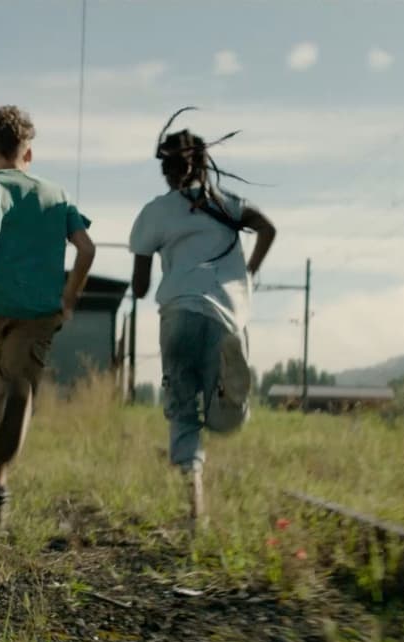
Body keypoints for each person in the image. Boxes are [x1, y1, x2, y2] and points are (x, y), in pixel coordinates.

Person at [0, 105, 96, 527]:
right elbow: (86, 249)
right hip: (38, 312)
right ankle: (16, 404)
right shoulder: (56, 195)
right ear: (29, 153)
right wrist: (69, 296)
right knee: (18, 387)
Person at [128, 107, 277, 531]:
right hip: (224, 313)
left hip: (177, 314)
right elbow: (268, 228)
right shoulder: (227, 203)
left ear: (166, 169)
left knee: (182, 411)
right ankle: (231, 395)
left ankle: (195, 510)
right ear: (202, 164)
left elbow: (140, 287)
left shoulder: (155, 212)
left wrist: (159, 259)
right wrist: (248, 272)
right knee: (224, 417)